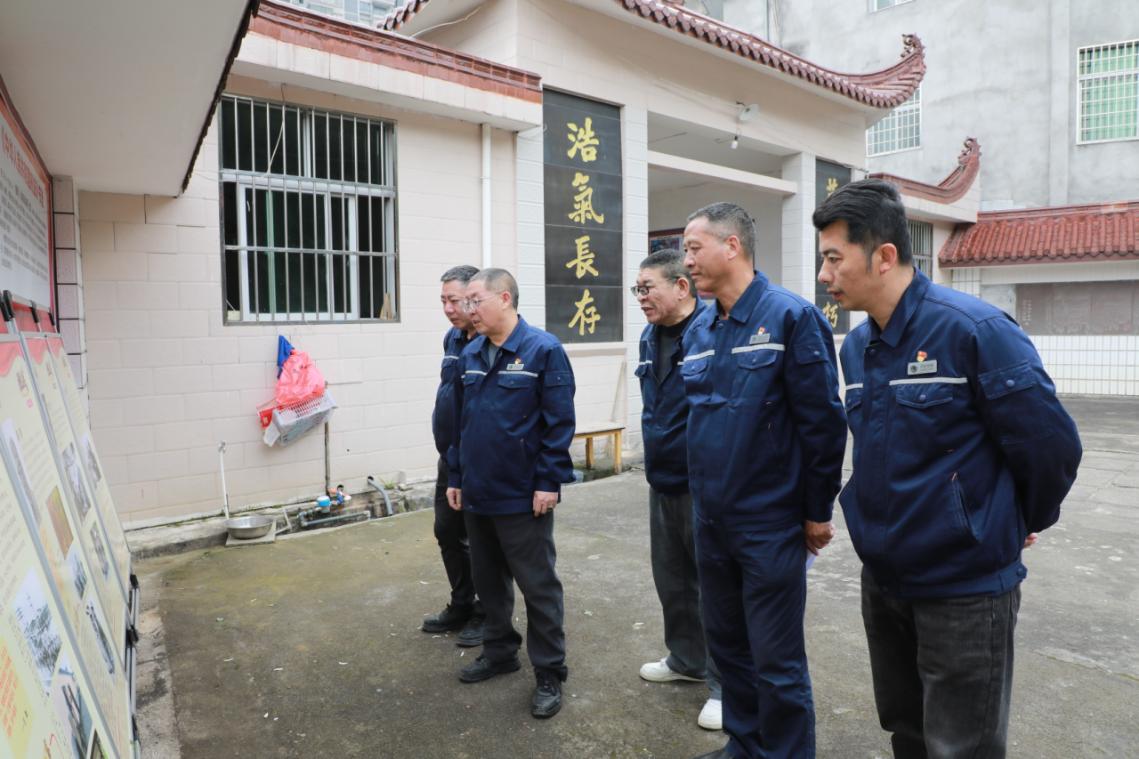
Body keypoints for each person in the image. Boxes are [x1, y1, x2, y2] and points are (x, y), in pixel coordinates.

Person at [813, 179, 1082, 759]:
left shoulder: (975, 330)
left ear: (884, 255)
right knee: (906, 731)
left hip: (964, 589)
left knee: (962, 746)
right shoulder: (857, 349)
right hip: (886, 581)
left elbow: (1051, 447)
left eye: (834, 258)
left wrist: (1014, 520)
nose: (823, 275)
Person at [681, 202, 847, 759]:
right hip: (711, 521)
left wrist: (817, 511)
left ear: (732, 246)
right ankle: (745, 745)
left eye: (694, 248)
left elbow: (823, 424)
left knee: (776, 659)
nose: (687, 262)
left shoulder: (790, 317)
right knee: (729, 648)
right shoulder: (700, 328)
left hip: (769, 522)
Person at [445, 268, 576, 719]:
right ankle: (500, 651)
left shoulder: (543, 350)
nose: (468, 309)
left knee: (538, 586)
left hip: (522, 495)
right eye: (465, 302)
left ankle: (549, 671)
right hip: (477, 490)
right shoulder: (471, 352)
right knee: (489, 582)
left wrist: (548, 481)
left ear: (504, 298)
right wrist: (456, 476)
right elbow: (460, 424)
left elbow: (559, 424)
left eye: (475, 300)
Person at [632, 249, 722, 731]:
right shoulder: (649, 337)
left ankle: (725, 685)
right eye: (637, 290)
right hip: (662, 478)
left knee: (716, 588)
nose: (640, 298)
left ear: (682, 287)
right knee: (672, 580)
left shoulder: (713, 332)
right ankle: (686, 660)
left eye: (647, 288)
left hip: (705, 483)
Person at [421, 265, 485, 645]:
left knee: (482, 541)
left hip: (479, 462)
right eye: (443, 300)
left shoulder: (491, 340)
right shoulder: (453, 338)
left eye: (454, 300)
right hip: (450, 458)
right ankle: (462, 603)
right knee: (446, 531)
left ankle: (486, 613)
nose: (448, 308)